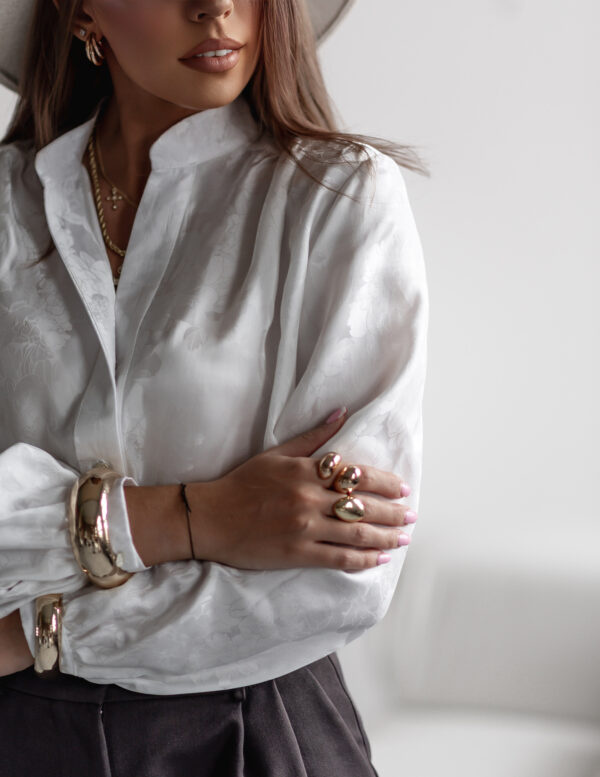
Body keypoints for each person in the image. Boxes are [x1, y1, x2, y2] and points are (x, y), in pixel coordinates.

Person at [0, 0, 429, 774]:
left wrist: (37, 630)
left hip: (254, 733)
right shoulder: (6, 204)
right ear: (80, 11)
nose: (217, 6)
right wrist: (190, 519)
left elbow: (338, 574)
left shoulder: (339, 199)